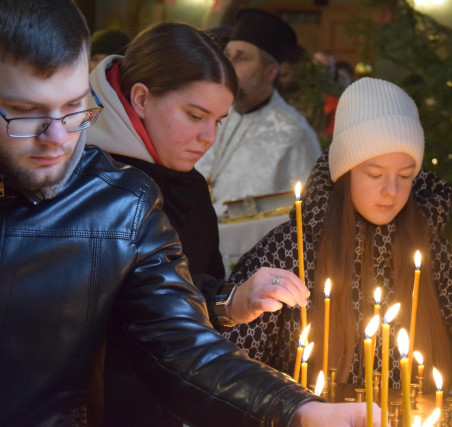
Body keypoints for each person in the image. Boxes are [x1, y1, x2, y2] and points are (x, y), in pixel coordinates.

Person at [0, 1, 381, 425]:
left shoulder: (120, 203)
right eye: (26, 112)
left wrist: (297, 409)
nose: (58, 138)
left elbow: (177, 340)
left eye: (74, 108)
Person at [225, 78, 452, 392]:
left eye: (405, 175)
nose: (391, 190)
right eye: (375, 174)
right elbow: (230, 367)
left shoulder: (431, 254)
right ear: (344, 173)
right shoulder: (289, 251)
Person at [88, 22, 314, 425]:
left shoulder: (187, 185)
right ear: (141, 98)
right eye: (195, 115)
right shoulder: (87, 181)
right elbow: (144, 316)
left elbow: (187, 288)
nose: (209, 137)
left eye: (219, 121)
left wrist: (234, 299)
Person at [195, 8, 322, 216]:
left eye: (241, 58)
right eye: (227, 56)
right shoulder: (212, 114)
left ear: (270, 72)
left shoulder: (294, 134)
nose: (228, 66)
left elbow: (310, 213)